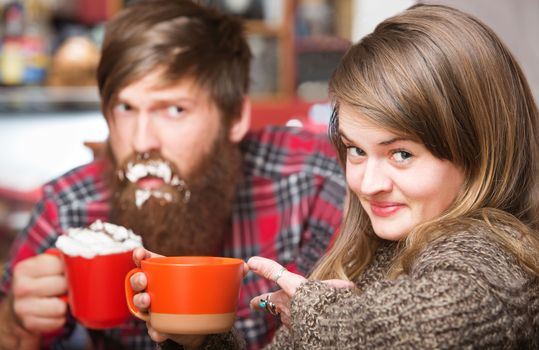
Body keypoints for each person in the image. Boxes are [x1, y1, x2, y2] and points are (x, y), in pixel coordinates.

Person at [137, 3, 539, 348]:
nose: (367, 184)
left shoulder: (495, 252)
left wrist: (314, 310)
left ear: (478, 150)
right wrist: (200, 336)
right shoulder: (377, 253)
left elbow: (433, 327)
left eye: (401, 154)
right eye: (356, 150)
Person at [0, 1, 346, 349]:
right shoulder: (70, 207)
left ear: (235, 117)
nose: (141, 141)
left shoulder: (315, 180)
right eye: (126, 108)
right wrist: (15, 322)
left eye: (174, 109)